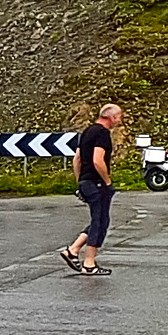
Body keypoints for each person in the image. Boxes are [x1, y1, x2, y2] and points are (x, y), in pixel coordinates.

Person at [62, 103, 122, 275]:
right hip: (97, 183)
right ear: (111, 117)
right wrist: (108, 182)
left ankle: (73, 250)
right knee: (100, 221)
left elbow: (77, 159)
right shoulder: (102, 133)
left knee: (99, 219)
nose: (119, 120)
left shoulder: (87, 131)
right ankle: (89, 263)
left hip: (86, 182)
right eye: (119, 117)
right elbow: (98, 160)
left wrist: (80, 181)